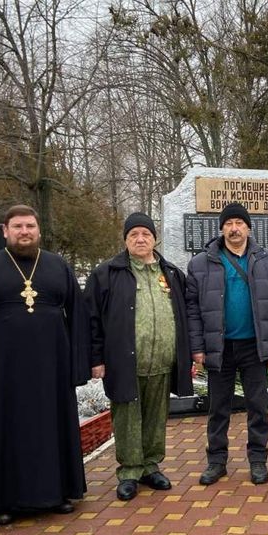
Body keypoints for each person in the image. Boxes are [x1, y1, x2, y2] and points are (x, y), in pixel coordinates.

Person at [0, 204, 90, 525]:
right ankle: (6, 501)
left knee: (52, 429)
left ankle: (58, 494)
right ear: (5, 231)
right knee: (7, 432)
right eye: (17, 227)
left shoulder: (58, 266)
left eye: (30, 226)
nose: (24, 232)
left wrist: (78, 364)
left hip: (52, 369)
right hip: (5, 371)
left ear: (39, 230)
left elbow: (78, 317)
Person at [84, 213, 194, 501]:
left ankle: (150, 466)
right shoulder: (107, 274)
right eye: (134, 235)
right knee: (128, 418)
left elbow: (184, 316)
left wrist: (187, 355)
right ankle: (129, 471)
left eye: (146, 233)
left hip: (162, 361)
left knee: (157, 417)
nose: (140, 239)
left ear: (155, 238)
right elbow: (92, 319)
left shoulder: (169, 273)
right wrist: (96, 358)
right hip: (125, 361)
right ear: (125, 240)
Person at [186, 202, 268, 485]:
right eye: (229, 224)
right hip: (218, 347)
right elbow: (193, 311)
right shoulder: (201, 263)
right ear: (221, 228)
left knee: (257, 406)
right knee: (218, 408)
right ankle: (217, 461)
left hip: (253, 345)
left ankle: (258, 460)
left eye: (239, 223)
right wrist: (196, 347)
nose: (234, 229)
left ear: (248, 227)